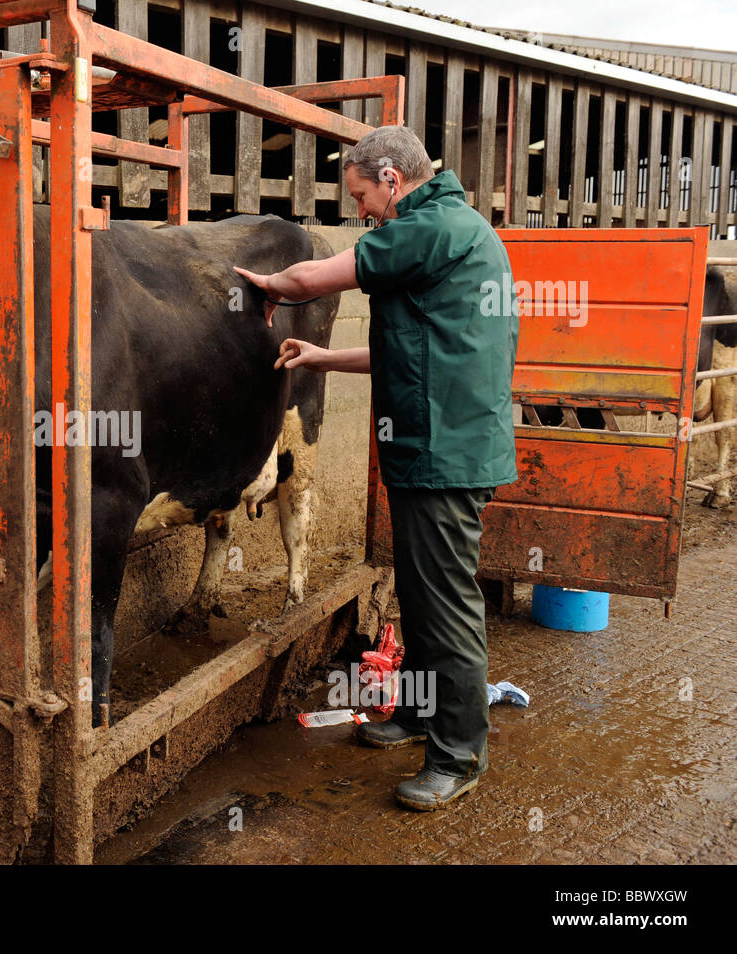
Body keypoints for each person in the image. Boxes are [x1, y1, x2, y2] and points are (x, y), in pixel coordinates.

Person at [234, 125, 519, 811]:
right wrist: (323, 358)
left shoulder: (433, 228)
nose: (359, 210)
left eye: (361, 194)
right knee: (422, 599)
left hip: (445, 454)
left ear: (392, 177)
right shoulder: (449, 231)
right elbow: (409, 351)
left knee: (447, 606)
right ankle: (420, 715)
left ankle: (457, 754)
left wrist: (262, 282)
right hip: (434, 446)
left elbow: (308, 277)